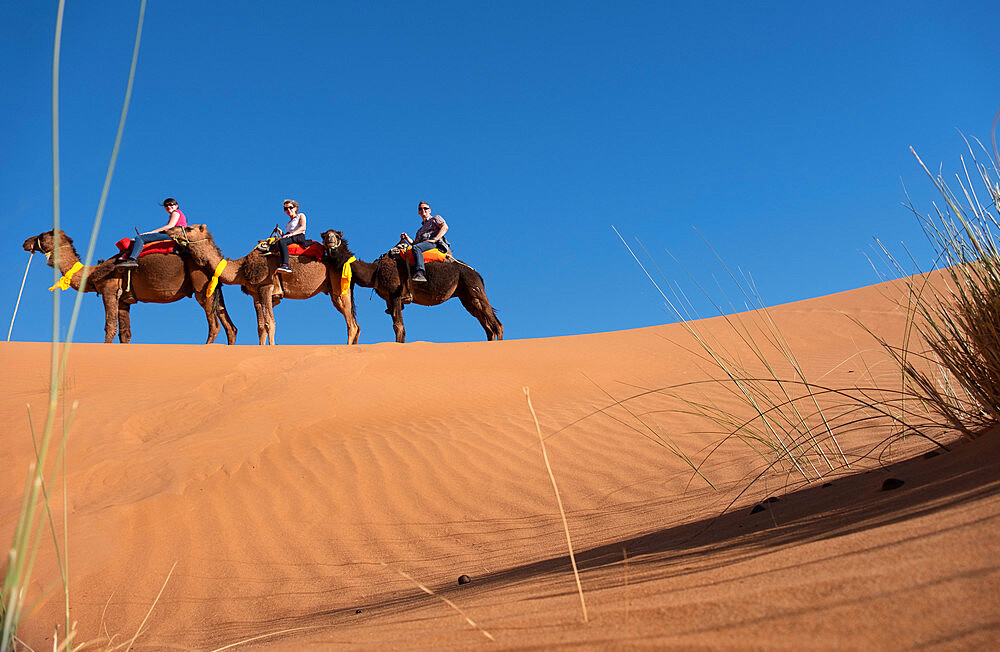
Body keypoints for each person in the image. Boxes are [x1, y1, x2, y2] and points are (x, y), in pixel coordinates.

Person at [116, 198, 187, 268]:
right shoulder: (178, 214)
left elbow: (170, 226)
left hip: (174, 235)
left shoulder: (176, 212)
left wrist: (151, 233)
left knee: (139, 238)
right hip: (175, 235)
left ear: (176, 205)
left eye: (171, 204)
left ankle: (132, 259)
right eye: (166, 205)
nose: (168, 206)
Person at [400, 201, 448, 282]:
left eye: (425, 208)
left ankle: (420, 272)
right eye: (420, 209)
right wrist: (407, 238)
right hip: (423, 245)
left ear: (430, 210)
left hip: (434, 244)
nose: (423, 210)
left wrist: (435, 239)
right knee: (413, 249)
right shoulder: (419, 231)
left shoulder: (435, 218)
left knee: (416, 248)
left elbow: (445, 227)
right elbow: (415, 244)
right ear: (418, 212)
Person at [275, 199, 307, 274]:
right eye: (286, 209)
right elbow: (287, 237)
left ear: (295, 208)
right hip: (291, 237)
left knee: (281, 241)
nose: (288, 210)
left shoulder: (301, 215)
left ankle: (286, 265)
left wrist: (291, 234)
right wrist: (281, 233)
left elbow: (303, 227)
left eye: (290, 207)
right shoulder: (288, 223)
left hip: (298, 236)